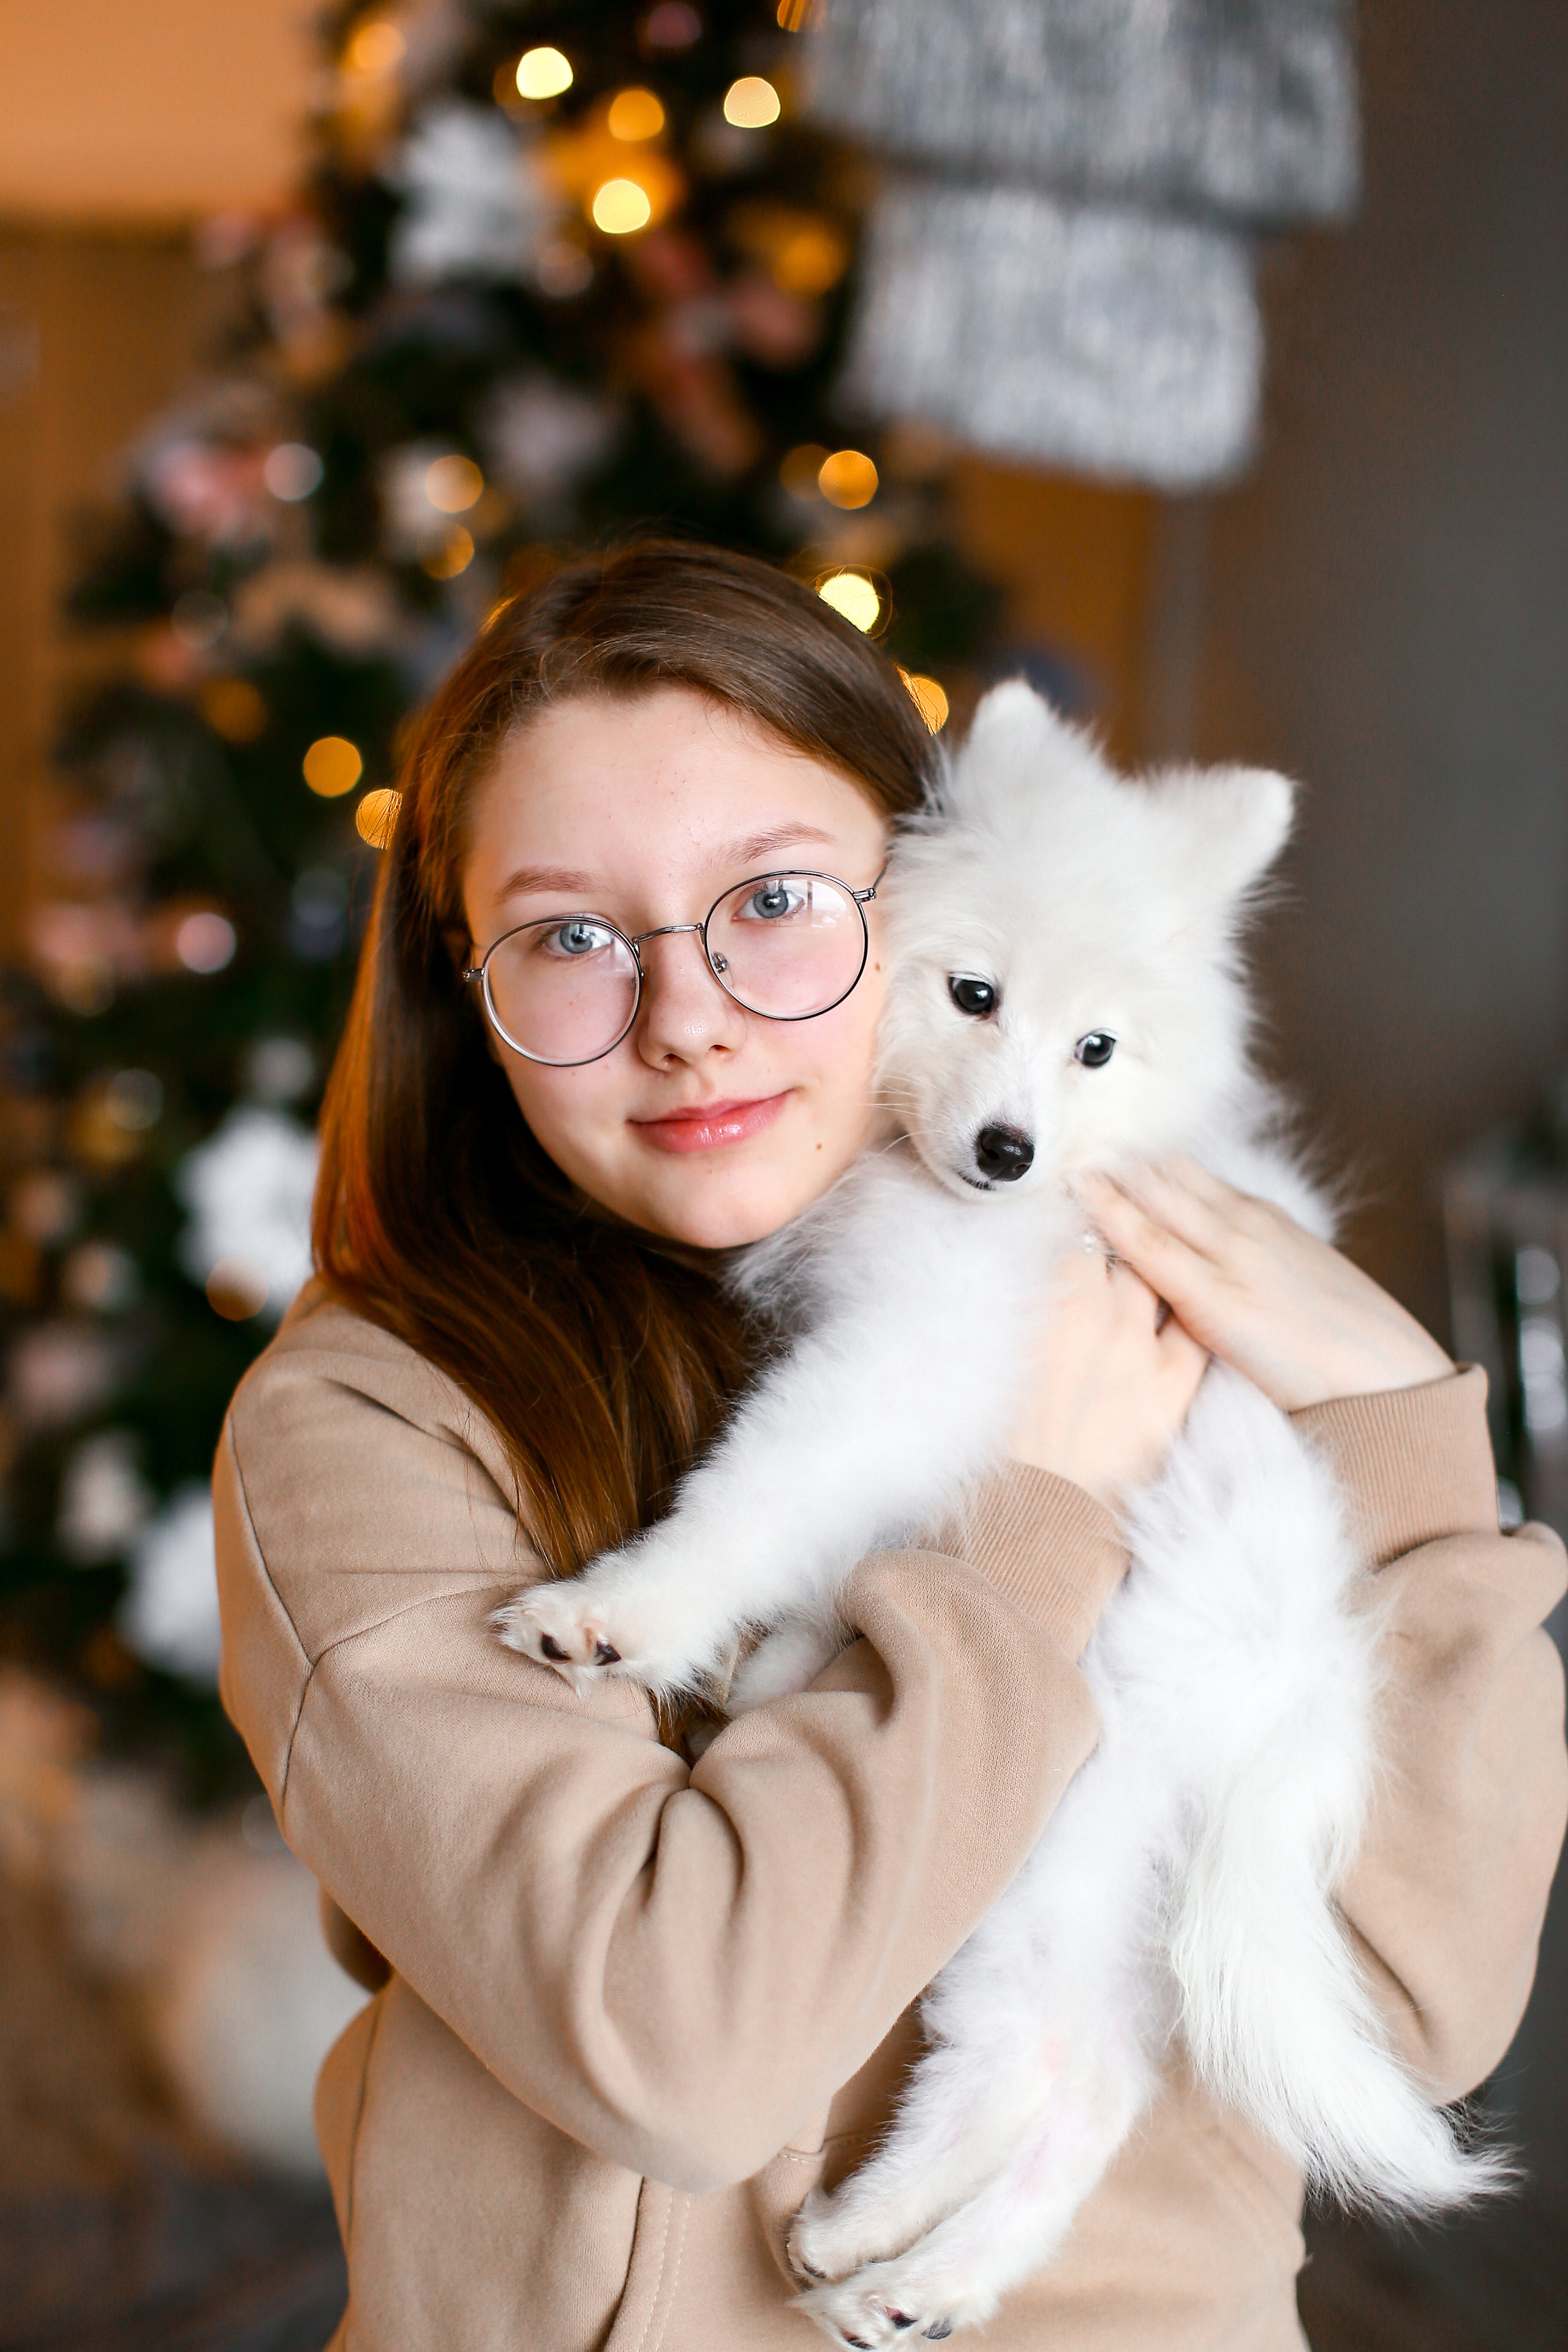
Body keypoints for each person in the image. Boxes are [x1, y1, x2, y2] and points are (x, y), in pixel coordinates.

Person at [214, 541, 1567, 2352]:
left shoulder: (1169, 1288)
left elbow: (1403, 2016)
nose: (686, 1019)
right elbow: (678, 2049)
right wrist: (1029, 1526)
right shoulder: (370, 1423)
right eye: (567, 936)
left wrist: (1398, 1430)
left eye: (773, 900)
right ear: (465, 988)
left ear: (901, 887)